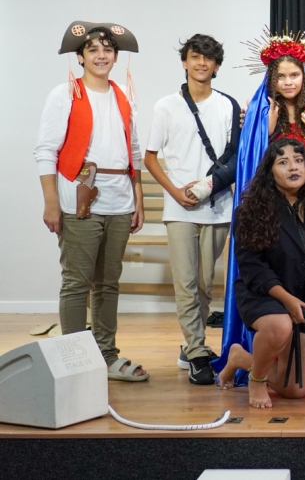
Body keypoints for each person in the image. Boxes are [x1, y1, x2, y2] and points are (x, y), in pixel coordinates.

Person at [216, 27, 305, 382]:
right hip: (272, 207)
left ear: (304, 77)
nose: (288, 82)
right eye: (281, 76)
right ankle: (257, 350)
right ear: (271, 79)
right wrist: (267, 128)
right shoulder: (261, 112)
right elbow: (253, 164)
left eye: (294, 75)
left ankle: (256, 358)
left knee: (296, 383)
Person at [35, 21, 147, 381]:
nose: (101, 55)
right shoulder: (65, 94)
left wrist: (138, 199)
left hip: (119, 200)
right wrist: (52, 202)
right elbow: (46, 150)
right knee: (76, 283)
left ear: (115, 56)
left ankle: (106, 354)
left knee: (108, 283)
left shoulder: (123, 95)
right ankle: (75, 359)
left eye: (108, 49)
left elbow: (133, 151)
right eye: (93, 49)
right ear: (80, 56)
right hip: (78, 200)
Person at [144, 34, 239, 384]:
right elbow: (150, 158)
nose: (201, 63)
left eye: (208, 58)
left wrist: (207, 187)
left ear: (217, 66)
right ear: (184, 62)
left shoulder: (228, 105)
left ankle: (190, 345)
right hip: (179, 209)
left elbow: (234, 156)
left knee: (203, 284)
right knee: (185, 282)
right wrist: (174, 192)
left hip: (218, 206)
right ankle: (198, 351)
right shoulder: (166, 106)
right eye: (195, 57)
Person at [217, 138, 305, 408]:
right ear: (269, 172)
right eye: (283, 162)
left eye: (298, 160)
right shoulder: (250, 211)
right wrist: (287, 300)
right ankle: (257, 378)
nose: (293, 167)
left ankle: (240, 358)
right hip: (262, 292)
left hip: (303, 297)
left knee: (296, 390)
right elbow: (253, 267)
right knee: (280, 325)